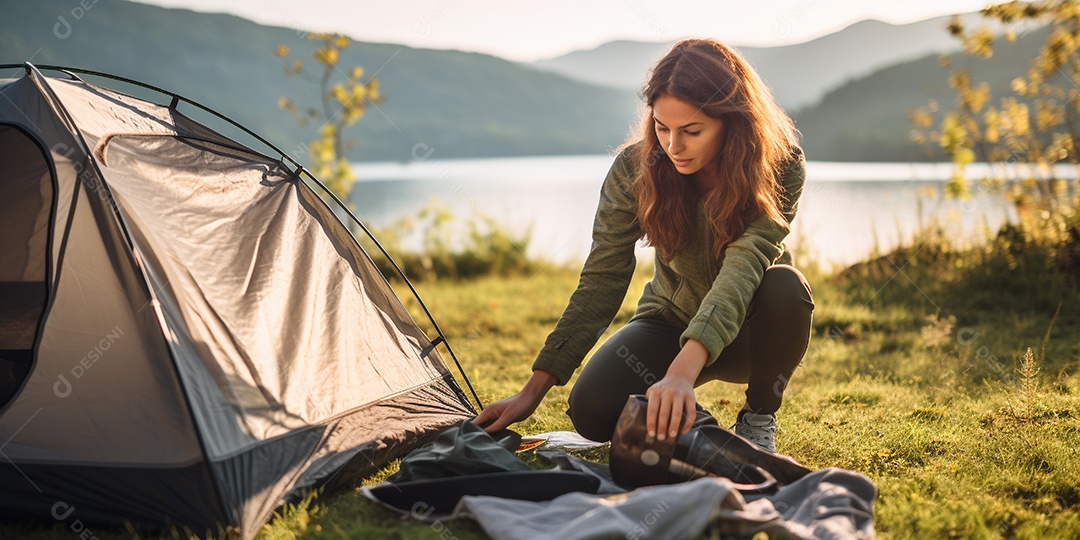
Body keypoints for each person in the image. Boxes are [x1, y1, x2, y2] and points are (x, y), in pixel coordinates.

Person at [473, 38, 813, 453]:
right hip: (669, 319)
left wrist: (682, 372)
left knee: (785, 285)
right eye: (662, 127)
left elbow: (744, 265)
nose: (673, 146)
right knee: (592, 410)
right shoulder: (635, 171)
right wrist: (533, 390)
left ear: (733, 122)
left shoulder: (781, 166)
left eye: (692, 131)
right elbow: (602, 277)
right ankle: (694, 425)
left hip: (750, 332)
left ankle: (758, 417)